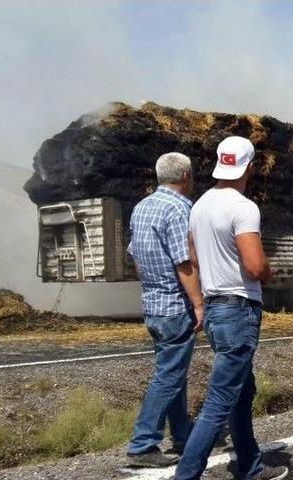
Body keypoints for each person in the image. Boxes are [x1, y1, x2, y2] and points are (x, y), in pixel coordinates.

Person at [175, 137, 288, 480]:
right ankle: (186, 474)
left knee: (242, 391)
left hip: (215, 309)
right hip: (239, 309)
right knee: (219, 402)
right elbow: (254, 267)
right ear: (249, 168)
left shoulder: (199, 206)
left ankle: (250, 468)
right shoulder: (243, 207)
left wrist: (201, 302)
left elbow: (193, 258)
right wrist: (270, 272)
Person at [126, 153, 203, 468]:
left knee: (175, 373)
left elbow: (135, 255)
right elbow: (184, 263)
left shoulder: (141, 207)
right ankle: (143, 444)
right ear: (185, 176)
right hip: (175, 306)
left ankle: (183, 436)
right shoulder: (180, 209)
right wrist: (199, 303)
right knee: (169, 375)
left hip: (153, 304)